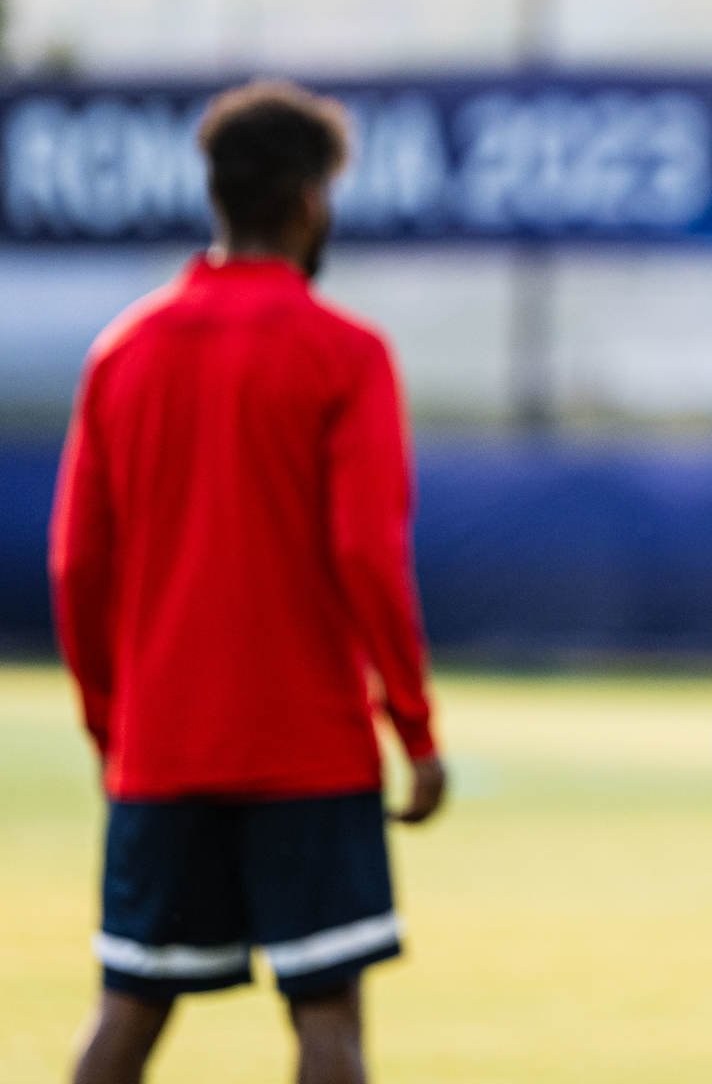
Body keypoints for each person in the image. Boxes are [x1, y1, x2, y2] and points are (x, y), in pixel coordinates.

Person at [49, 81, 445, 1084]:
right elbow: (367, 550)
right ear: (313, 200)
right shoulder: (346, 355)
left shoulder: (122, 352)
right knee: (327, 1017)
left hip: (163, 749)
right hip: (309, 751)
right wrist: (414, 728)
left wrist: (113, 729)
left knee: (127, 1013)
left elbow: (75, 564)